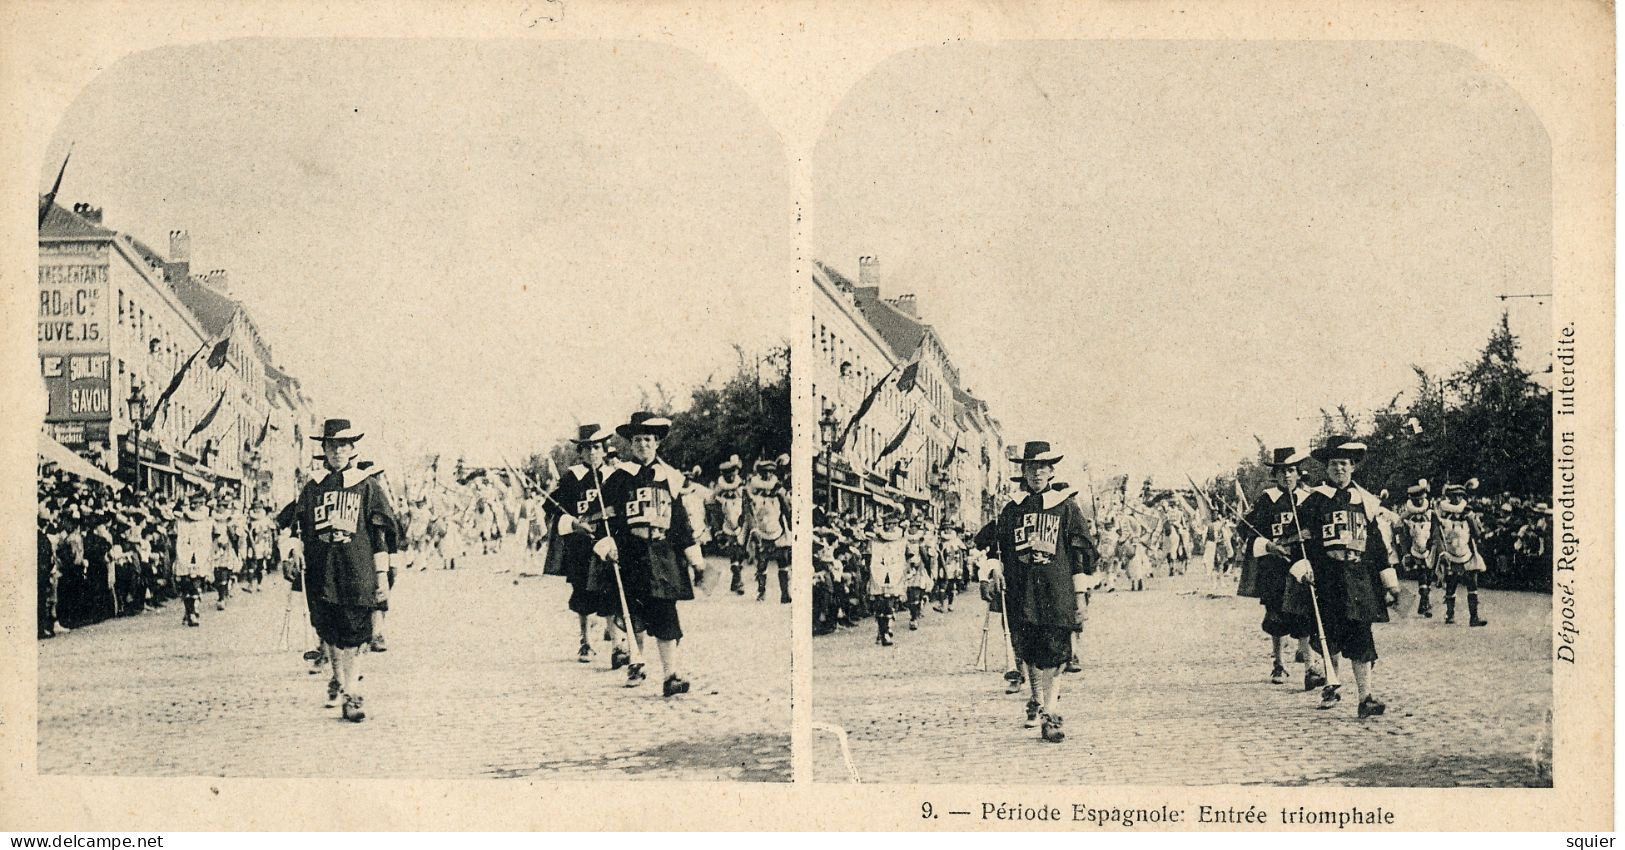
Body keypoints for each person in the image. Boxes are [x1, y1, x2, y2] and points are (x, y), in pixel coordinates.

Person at [972, 441, 1096, 743]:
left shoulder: (1066, 506)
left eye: (1043, 467)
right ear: (1023, 471)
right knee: (1028, 651)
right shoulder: (1013, 508)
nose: (1037, 472)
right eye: (1031, 467)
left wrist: (1080, 595)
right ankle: (1037, 701)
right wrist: (994, 569)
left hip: (1057, 591)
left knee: (1056, 652)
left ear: (1051, 470)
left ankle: (1051, 712)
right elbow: (994, 546)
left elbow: (1081, 554)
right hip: (1022, 591)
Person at [282, 418, 399, 722]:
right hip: (322, 570)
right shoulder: (312, 487)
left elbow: (380, 535)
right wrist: (292, 550)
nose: (337, 451)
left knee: (357, 629)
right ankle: (340, 681)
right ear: (324, 449)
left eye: (343, 445)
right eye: (332, 445)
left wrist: (383, 574)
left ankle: (351, 690)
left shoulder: (367, 486)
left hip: (357, 568)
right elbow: (296, 525)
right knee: (330, 630)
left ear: (352, 449)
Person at [1286, 436, 1401, 718]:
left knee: (1362, 636)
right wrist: (1303, 565)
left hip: (1359, 579)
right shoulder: (1314, 501)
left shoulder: (1366, 501)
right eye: (1335, 464)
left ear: (1353, 468)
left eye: (1345, 464)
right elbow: (1296, 540)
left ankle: (1366, 698)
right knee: (1328, 635)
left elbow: (1376, 544)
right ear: (1326, 468)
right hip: (1327, 579)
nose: (1340, 469)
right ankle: (1331, 687)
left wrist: (1389, 579)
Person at [594, 412, 706, 696]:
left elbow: (680, 520)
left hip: (663, 554)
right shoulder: (619, 478)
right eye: (637, 440)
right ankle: (636, 662)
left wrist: (693, 556)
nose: (643, 445)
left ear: (656, 443)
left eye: (647, 439)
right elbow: (603, 517)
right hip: (632, 553)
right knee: (633, 612)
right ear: (630, 445)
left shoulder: (670, 477)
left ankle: (671, 675)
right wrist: (607, 542)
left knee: (666, 612)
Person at [1238, 447, 1324, 689]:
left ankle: (1310, 668)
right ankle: (1278, 663)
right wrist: (1268, 545)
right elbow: (1245, 529)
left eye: (1291, 471)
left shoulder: (1309, 498)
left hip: (1301, 563)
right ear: (1275, 475)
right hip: (1274, 566)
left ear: (1298, 473)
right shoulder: (1267, 499)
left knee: (1305, 614)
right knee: (1276, 615)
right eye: (1282, 471)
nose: (1287, 476)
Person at [545, 424, 625, 666]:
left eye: (597, 448)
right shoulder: (572, 477)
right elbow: (554, 509)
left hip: (606, 539)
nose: (593, 453)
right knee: (582, 592)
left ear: (604, 450)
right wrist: (574, 524)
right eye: (587, 449)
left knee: (612, 589)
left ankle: (617, 645)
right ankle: (585, 640)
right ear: (580, 452)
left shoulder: (615, 476)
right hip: (581, 543)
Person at [1434, 483, 1489, 627]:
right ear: (1449, 497)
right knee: (1451, 585)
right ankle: (1450, 614)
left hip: (1467, 553)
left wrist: (1471, 519)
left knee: (1473, 584)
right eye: (1453, 496)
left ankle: (1474, 617)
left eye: (1459, 496)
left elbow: (1477, 534)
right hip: (1450, 553)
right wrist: (1442, 553)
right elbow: (1437, 535)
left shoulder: (1468, 513)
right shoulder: (1441, 514)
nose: (1457, 499)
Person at [746, 459, 792, 604]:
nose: (767, 474)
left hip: (778, 531)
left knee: (783, 563)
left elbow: (787, 511)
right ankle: (761, 591)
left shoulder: (779, 492)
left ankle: (785, 593)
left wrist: (782, 497)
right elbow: (748, 511)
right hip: (762, 531)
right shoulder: (753, 492)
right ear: (760, 474)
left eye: (770, 472)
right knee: (761, 564)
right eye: (764, 472)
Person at [1395, 480, 1439, 617]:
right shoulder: (1405, 516)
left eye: (1421, 499)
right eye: (1416, 500)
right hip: (1414, 549)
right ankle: (1425, 604)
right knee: (1422, 575)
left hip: (1430, 548)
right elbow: (1401, 536)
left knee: (1429, 576)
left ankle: (1423, 603)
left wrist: (1435, 546)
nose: (1419, 502)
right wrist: (1405, 552)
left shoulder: (1432, 514)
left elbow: (1436, 531)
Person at [866, 511, 907, 646]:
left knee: (889, 602)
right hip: (879, 572)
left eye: (893, 524)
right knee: (879, 603)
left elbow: (906, 555)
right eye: (888, 524)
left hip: (894, 572)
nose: (891, 527)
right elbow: (869, 556)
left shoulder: (901, 538)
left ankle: (886, 630)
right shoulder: (876, 539)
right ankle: (882, 630)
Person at [712, 456, 749, 594]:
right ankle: (738, 581)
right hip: (726, 525)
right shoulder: (719, 490)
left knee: (740, 554)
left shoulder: (742, 487)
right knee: (735, 552)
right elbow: (714, 510)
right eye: (728, 474)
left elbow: (747, 505)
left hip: (741, 523)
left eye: (733, 473)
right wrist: (717, 530)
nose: (731, 476)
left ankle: (736, 580)